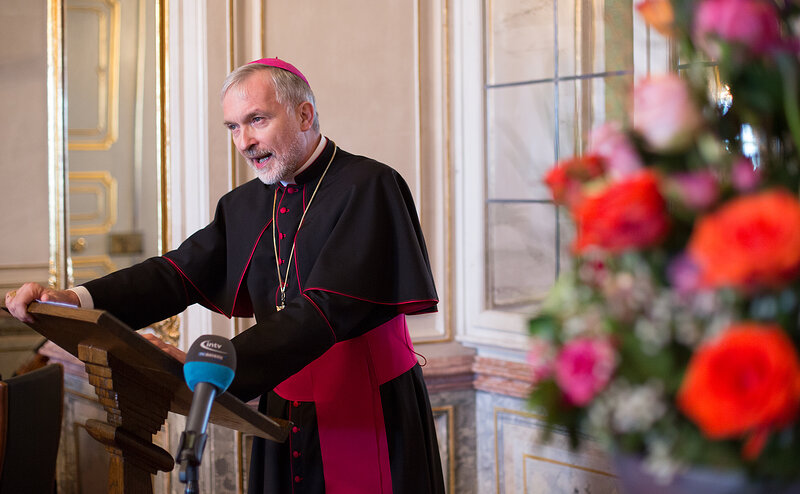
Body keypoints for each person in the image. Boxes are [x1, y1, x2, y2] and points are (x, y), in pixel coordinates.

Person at [6, 58, 445, 494]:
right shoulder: (246, 204)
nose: (245, 141)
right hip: (284, 408)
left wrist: (218, 365)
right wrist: (77, 300)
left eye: (256, 120)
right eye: (233, 127)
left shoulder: (370, 184)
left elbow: (325, 309)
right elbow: (174, 274)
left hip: (369, 406)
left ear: (305, 114)